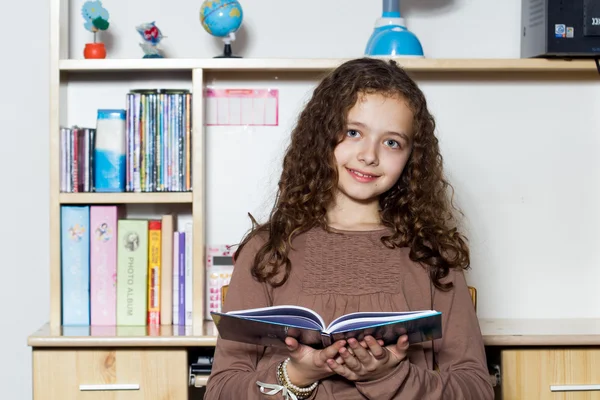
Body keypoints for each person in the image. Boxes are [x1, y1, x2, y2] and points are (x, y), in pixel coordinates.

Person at [204, 57, 494, 400]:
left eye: (392, 142)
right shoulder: (267, 250)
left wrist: (391, 377)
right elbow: (221, 391)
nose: (369, 156)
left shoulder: (432, 255)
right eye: (353, 132)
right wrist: (298, 373)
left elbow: (476, 388)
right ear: (322, 136)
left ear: (412, 157)